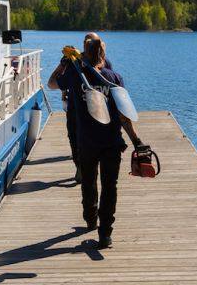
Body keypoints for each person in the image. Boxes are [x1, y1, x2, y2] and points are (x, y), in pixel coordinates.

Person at [52, 38, 141, 249]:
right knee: (110, 187)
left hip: (87, 142)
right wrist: (136, 141)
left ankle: (91, 219)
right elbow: (123, 115)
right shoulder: (115, 78)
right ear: (103, 56)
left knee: (89, 182)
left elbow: (52, 83)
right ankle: (105, 234)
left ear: (85, 54)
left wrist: (64, 63)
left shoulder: (75, 75)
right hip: (112, 142)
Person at [47, 32, 113, 183]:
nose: (86, 42)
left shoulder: (81, 63)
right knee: (75, 139)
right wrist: (65, 89)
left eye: (90, 41)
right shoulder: (74, 61)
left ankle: (83, 167)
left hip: (87, 110)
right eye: (85, 40)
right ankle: (82, 167)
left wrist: (63, 65)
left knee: (79, 139)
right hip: (82, 110)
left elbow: (52, 83)